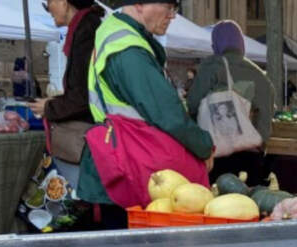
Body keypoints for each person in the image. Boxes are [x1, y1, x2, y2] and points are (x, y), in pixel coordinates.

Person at [77, 0, 214, 228]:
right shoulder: (128, 49)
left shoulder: (116, 34)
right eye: (168, 6)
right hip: (129, 166)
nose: (172, 15)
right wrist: (204, 146)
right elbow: (167, 113)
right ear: (140, 4)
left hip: (117, 160)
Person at [186, 20, 275, 184]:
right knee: (249, 197)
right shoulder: (260, 75)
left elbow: (192, 104)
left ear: (215, 44)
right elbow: (267, 116)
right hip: (251, 154)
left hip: (216, 153)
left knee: (216, 197)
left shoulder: (212, 66)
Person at [28, 0, 103, 186]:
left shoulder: (87, 31)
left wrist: (49, 107)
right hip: (94, 132)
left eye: (50, 2)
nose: (48, 9)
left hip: (88, 135)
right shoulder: (86, 27)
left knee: (79, 191)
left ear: (64, 2)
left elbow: (82, 97)